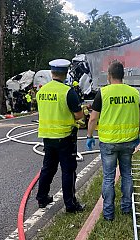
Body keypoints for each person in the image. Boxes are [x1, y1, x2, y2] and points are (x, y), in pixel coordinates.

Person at [86, 61, 140, 221]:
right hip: (129, 141)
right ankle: (126, 208)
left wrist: (89, 137)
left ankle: (109, 213)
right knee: (126, 175)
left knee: (109, 177)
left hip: (109, 142)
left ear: (109, 76)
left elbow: (93, 118)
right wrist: (136, 134)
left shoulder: (103, 93)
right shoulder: (134, 93)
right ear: (123, 75)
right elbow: (138, 117)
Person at [36, 59, 86, 213]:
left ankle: (42, 198)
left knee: (47, 169)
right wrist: (83, 110)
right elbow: (78, 116)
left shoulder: (41, 91)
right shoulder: (67, 91)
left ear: (52, 73)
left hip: (47, 137)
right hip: (65, 137)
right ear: (65, 74)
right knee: (68, 171)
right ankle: (70, 204)